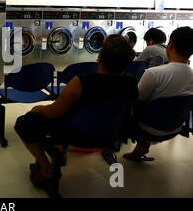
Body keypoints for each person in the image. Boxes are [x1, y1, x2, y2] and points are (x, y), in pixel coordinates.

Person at [14, 35, 138, 189]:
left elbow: (54, 112)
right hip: (110, 134)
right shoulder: (131, 82)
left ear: (99, 58)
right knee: (80, 114)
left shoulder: (82, 81)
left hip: (77, 134)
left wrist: (37, 109)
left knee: (24, 122)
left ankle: (45, 166)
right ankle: (60, 149)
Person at [123, 26, 193, 161]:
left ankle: (109, 145)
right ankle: (139, 150)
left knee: (127, 104)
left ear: (170, 44)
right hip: (175, 128)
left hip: (148, 128)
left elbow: (136, 101)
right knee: (158, 107)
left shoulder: (154, 73)